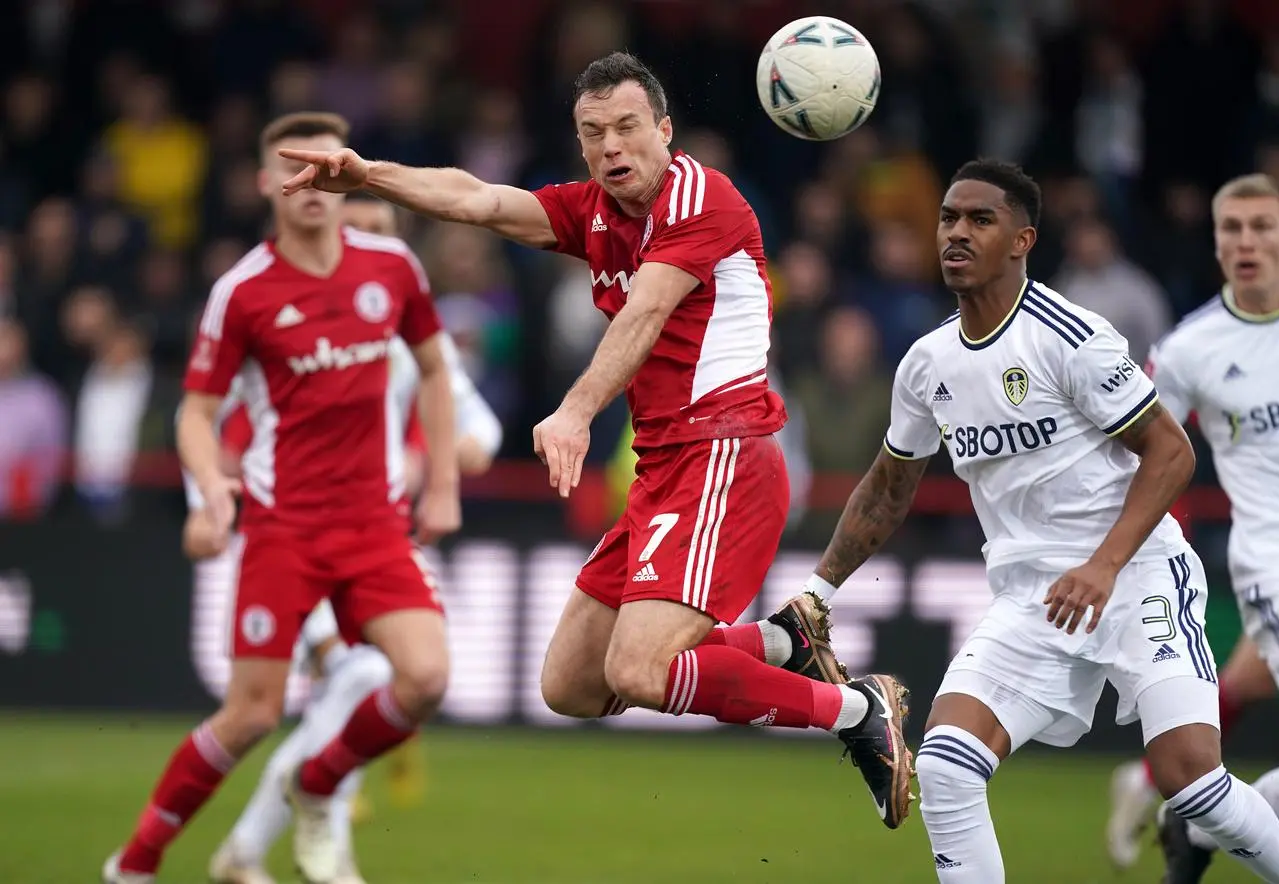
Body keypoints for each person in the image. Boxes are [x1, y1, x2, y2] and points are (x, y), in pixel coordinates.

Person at [278, 50, 915, 830]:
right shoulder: (595, 213)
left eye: (626, 127)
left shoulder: (697, 196)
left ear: (664, 131)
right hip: (663, 473)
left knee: (640, 669)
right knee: (572, 686)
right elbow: (478, 200)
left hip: (726, 453)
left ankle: (856, 713)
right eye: (592, 133)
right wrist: (368, 174)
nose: (611, 146)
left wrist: (576, 410)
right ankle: (783, 644)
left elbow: (646, 313)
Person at [785, 158, 1279, 882]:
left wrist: (1104, 565)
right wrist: (819, 592)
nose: (957, 232)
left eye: (980, 220)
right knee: (949, 766)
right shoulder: (927, 364)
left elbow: (1170, 455)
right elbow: (888, 488)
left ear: (1023, 240)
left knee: (1190, 779)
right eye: (949, 218)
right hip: (1033, 599)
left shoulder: (1068, 335)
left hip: (1137, 575)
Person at [103, 111, 461, 884]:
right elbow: (195, 413)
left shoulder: (392, 268)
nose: (308, 183)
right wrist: (211, 494)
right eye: (289, 169)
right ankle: (134, 864)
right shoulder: (242, 293)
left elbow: (436, 371)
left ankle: (318, 780)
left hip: (374, 525)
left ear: (344, 174)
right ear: (266, 183)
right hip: (284, 528)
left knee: (426, 678)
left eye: (323, 166)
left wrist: (441, 486)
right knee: (253, 715)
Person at [201, 195, 504, 884]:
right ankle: (307, 859)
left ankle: (250, 854)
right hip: (291, 540)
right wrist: (217, 492)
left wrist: (436, 459)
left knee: (351, 692)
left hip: (371, 545)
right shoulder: (290, 322)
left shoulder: (409, 336)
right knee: (354, 682)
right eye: (354, 228)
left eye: (378, 232)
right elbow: (226, 431)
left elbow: (482, 433)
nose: (364, 243)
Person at [1103, 172, 1279, 881]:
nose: (1246, 242)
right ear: (1214, 241)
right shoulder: (1190, 349)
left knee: (1245, 685)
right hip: (1271, 561)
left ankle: (1203, 818)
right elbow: (1140, 450)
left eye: (1262, 227)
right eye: (1231, 229)